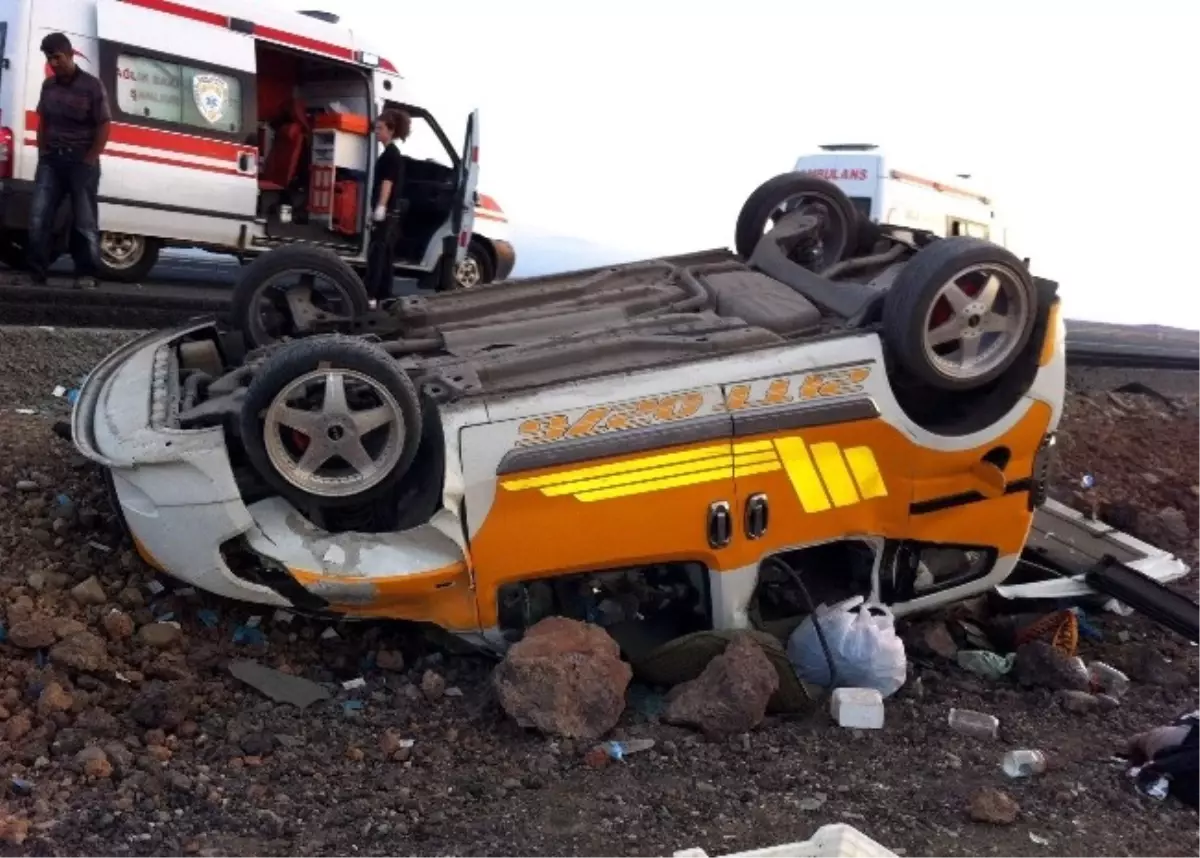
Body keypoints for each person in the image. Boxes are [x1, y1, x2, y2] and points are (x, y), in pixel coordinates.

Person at [28, 32, 111, 288]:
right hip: (52, 161)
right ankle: (35, 273)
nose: (53, 63)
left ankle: (87, 274)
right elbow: (43, 121)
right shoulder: (48, 86)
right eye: (49, 58)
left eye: (57, 57)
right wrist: (43, 155)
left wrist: (89, 160)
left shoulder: (92, 86)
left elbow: (104, 124)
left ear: (70, 54)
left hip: (81, 161)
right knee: (38, 217)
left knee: (84, 221)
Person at [364, 109, 410, 302]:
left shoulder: (391, 155)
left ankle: (371, 295)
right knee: (386, 254)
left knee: (377, 253)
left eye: (380, 128)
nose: (376, 131)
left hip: (387, 212)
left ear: (391, 130)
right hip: (392, 213)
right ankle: (384, 296)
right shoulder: (390, 153)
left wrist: (381, 207)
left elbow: (387, 183)